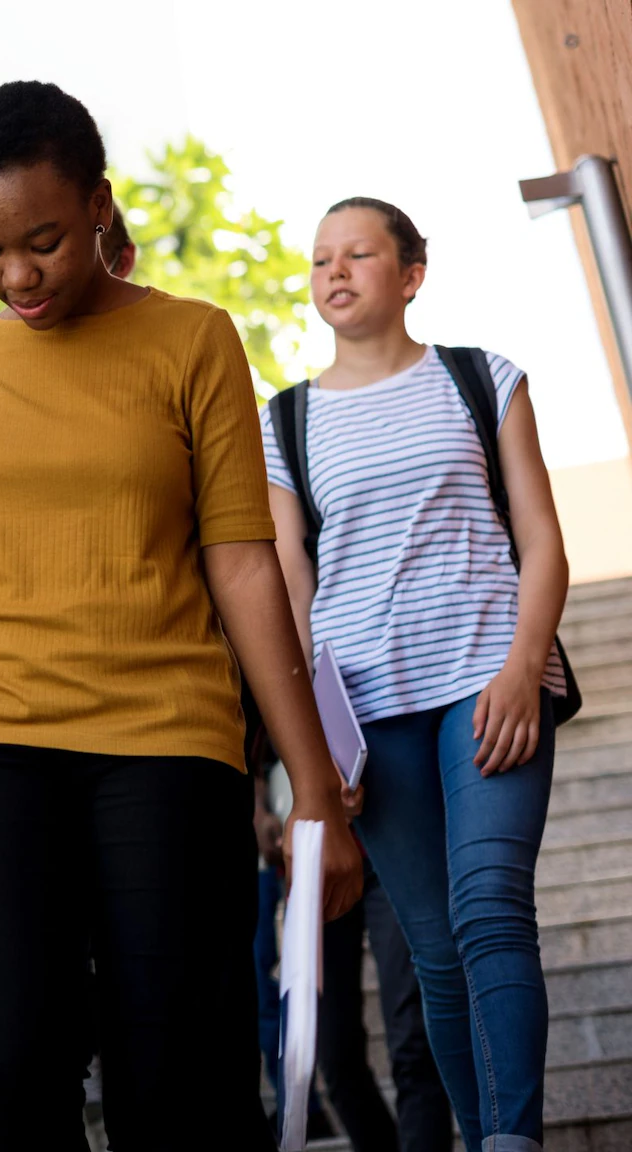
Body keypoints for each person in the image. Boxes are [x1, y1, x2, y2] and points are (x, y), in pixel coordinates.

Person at [0, 81, 363, 1151]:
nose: (15, 275)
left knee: (176, 1076)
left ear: (98, 204)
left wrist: (313, 791)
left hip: (168, 746)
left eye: (41, 240)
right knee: (8, 1071)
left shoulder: (192, 340)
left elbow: (241, 566)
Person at [261, 197, 567, 1152]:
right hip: (370, 714)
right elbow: (289, 592)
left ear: (411, 275)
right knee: (434, 953)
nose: (335, 273)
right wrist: (313, 746)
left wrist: (525, 666)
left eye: (358, 254)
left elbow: (544, 540)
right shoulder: (287, 420)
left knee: (488, 905)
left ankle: (513, 1140)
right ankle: (481, 1139)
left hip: (489, 682)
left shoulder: (483, 378)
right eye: (320, 261)